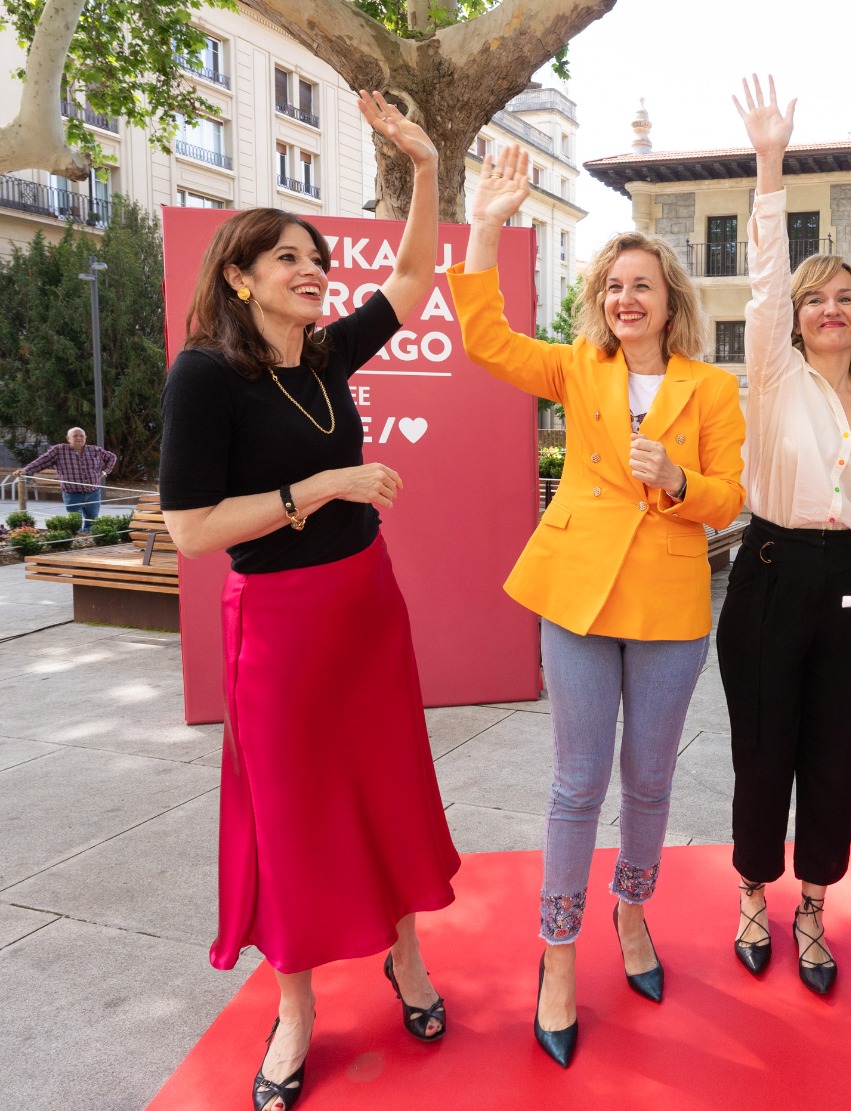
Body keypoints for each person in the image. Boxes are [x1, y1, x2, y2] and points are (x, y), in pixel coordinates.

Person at [158, 92, 458, 1111]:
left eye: (318, 257)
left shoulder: (326, 357)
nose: (313, 271)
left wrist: (422, 165)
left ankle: (406, 960)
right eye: (289, 258)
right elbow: (191, 529)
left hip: (366, 608)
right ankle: (294, 1013)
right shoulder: (204, 377)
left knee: (384, 789)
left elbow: (414, 279)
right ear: (239, 278)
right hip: (278, 628)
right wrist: (322, 487)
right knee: (289, 820)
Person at [447, 147, 746, 1068]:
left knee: (650, 780)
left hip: (669, 605)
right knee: (577, 784)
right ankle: (559, 953)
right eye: (614, 285)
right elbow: (486, 339)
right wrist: (490, 223)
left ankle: (633, 909)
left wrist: (682, 478)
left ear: (671, 300)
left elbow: (731, 497)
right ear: (601, 300)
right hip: (574, 597)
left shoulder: (713, 386)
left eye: (644, 285)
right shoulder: (579, 367)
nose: (628, 298)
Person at [718, 77, 851, 996]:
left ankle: (814, 907)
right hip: (772, 566)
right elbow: (760, 276)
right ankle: (754, 891)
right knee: (765, 745)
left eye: (845, 298)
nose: (831, 307)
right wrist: (770, 164)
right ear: (794, 317)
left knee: (834, 751)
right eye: (815, 297)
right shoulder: (773, 374)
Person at [19, 427, 116, 527]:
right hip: (72, 494)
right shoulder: (59, 450)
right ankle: (76, 540)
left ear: (85, 438)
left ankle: (88, 540)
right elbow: (42, 461)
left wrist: (104, 471)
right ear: (68, 438)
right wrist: (25, 470)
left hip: (93, 493)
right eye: (75, 436)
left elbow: (112, 457)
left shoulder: (95, 450)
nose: (79, 438)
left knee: (91, 522)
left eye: (81, 436)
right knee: (74, 523)